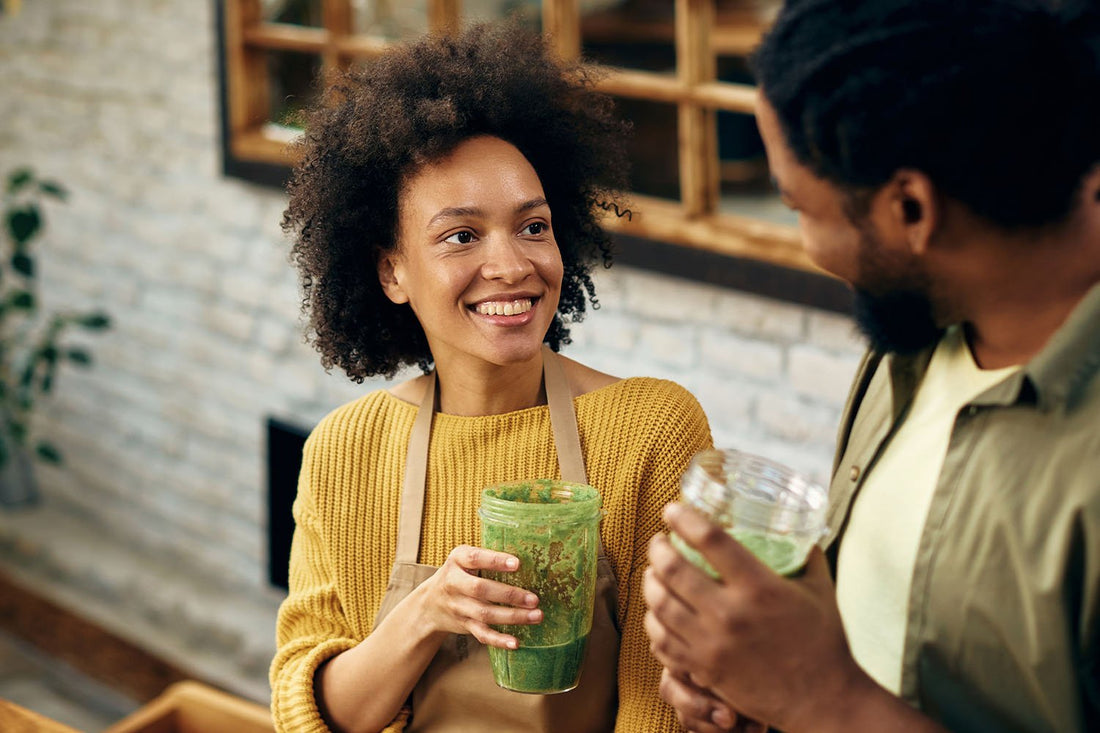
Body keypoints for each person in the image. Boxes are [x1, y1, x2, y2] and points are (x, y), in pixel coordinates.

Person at [643, 0, 1100, 731]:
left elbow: (836, 696)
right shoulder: (913, 336)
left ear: (910, 210)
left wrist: (818, 695)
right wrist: (759, 683)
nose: (803, 242)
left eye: (797, 205)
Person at [269, 22, 712, 733]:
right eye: (461, 236)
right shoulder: (344, 451)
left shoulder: (651, 430)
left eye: (532, 226)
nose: (512, 266)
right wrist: (424, 613)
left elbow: (662, 702)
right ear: (392, 271)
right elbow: (314, 713)